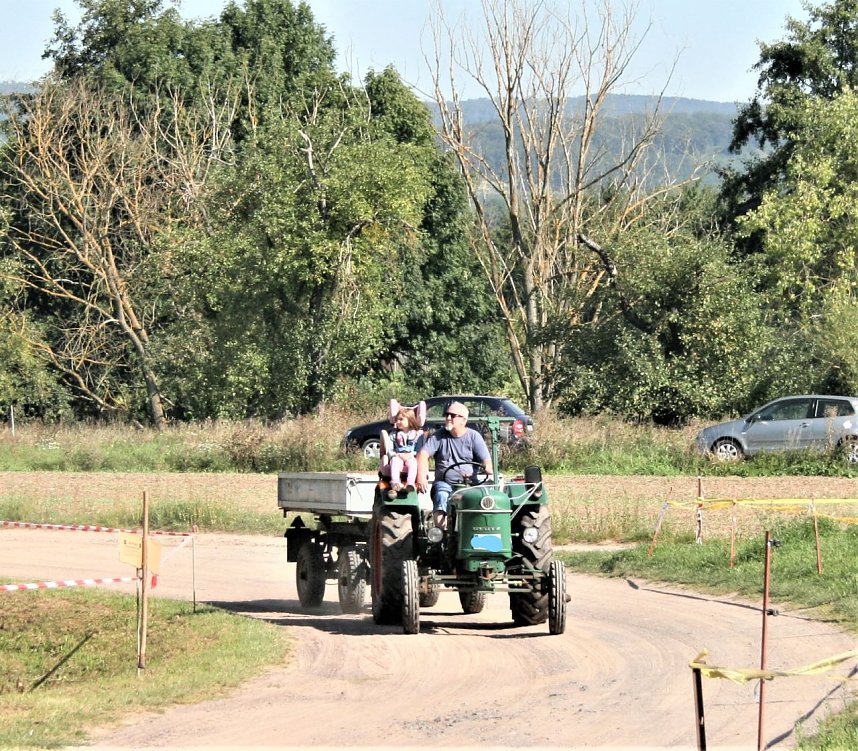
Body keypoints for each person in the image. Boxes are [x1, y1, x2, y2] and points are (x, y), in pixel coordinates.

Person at [415, 401, 493, 529]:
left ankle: (478, 531)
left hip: (469, 484)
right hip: (445, 483)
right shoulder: (438, 436)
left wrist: (488, 467)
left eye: (452, 415)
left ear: (463, 420)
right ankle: (441, 534)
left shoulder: (474, 437)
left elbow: (486, 459)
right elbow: (422, 455)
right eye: (447, 415)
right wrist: (421, 477)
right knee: (441, 496)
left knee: (484, 499)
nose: (448, 418)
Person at [384, 405, 423, 499]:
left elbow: (419, 449)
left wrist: (412, 454)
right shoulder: (394, 435)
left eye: (401, 419)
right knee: (395, 461)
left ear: (410, 420)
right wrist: (395, 455)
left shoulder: (417, 435)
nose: (398, 422)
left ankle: (410, 483)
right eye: (397, 419)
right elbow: (390, 448)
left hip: (410, 456)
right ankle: (395, 482)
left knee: (413, 463)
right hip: (398, 455)